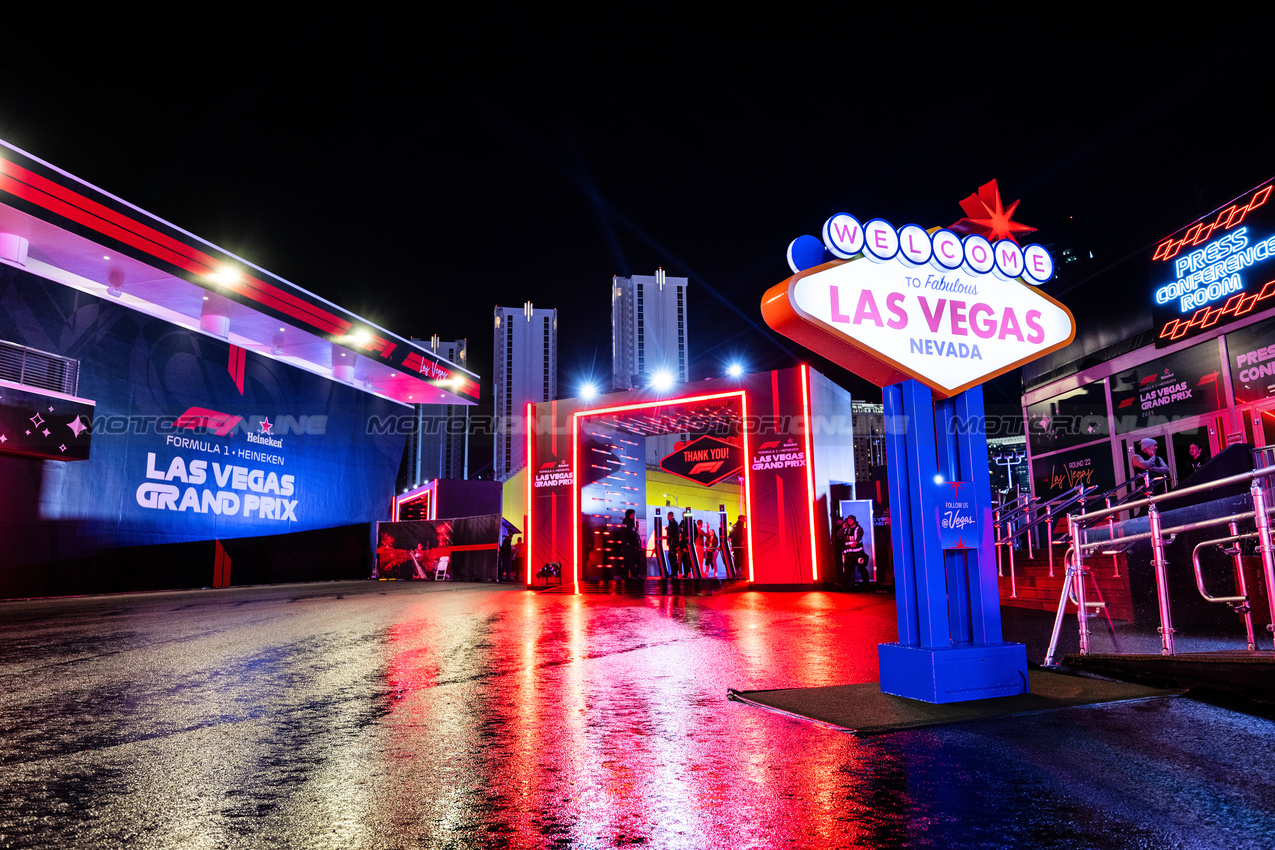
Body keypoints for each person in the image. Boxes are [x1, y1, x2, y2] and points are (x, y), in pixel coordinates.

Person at [838, 514, 869, 588]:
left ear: (854, 521)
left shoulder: (858, 529)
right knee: (847, 570)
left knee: (862, 569)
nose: (849, 521)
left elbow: (859, 536)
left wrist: (855, 542)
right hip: (849, 554)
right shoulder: (846, 529)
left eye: (851, 520)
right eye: (848, 520)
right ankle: (843, 586)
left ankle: (866, 585)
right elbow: (838, 535)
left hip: (858, 553)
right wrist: (843, 528)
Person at [618, 509, 642, 580]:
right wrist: (634, 544)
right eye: (633, 514)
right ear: (630, 515)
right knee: (631, 560)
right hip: (630, 545)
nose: (634, 516)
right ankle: (633, 575)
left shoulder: (624, 522)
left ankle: (625, 575)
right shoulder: (630, 523)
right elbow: (632, 534)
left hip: (625, 544)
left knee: (626, 560)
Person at [665, 511, 683, 577]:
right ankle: (674, 572)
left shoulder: (672, 523)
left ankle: (674, 572)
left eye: (667, 516)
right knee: (673, 557)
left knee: (672, 557)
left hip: (672, 544)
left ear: (669, 516)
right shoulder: (675, 523)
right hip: (674, 543)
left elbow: (672, 535)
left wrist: (665, 537)